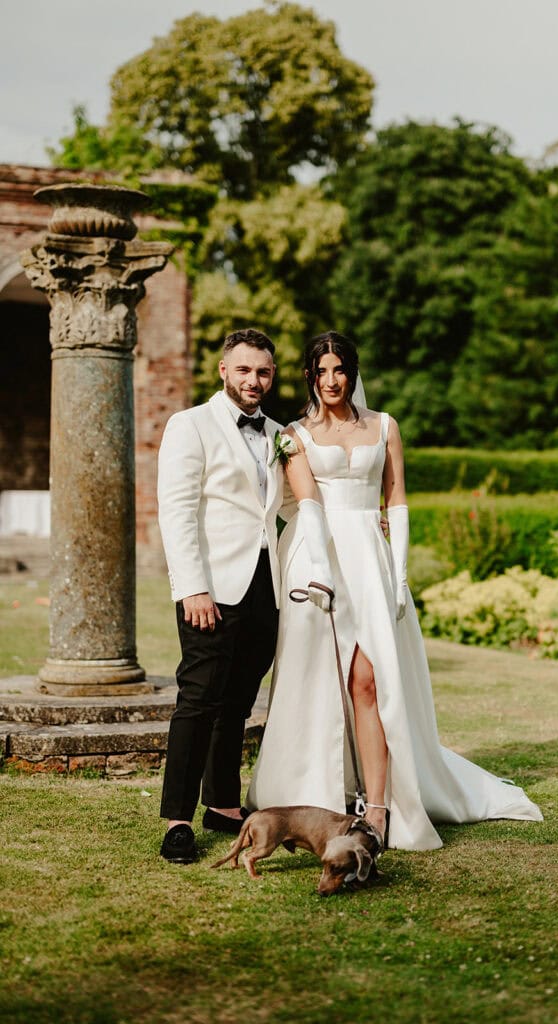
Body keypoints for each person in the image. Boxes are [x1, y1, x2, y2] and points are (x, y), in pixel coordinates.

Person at [246, 331, 543, 851]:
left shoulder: (385, 426)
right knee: (318, 679)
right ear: (310, 376)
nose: (331, 380)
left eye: (339, 369)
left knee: (369, 679)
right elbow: (309, 505)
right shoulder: (293, 434)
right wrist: (319, 570)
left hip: (371, 556)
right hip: (315, 559)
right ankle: (320, 794)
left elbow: (397, 498)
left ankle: (380, 808)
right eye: (321, 371)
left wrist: (400, 573)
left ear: (352, 372)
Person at [157, 328, 291, 863]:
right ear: (223, 370)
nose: (253, 380)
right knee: (198, 700)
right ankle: (176, 821)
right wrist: (193, 587)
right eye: (243, 370)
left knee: (238, 700)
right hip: (210, 588)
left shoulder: (282, 433)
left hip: (267, 588)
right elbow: (177, 510)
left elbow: (284, 510)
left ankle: (222, 804)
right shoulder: (190, 425)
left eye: (262, 372)